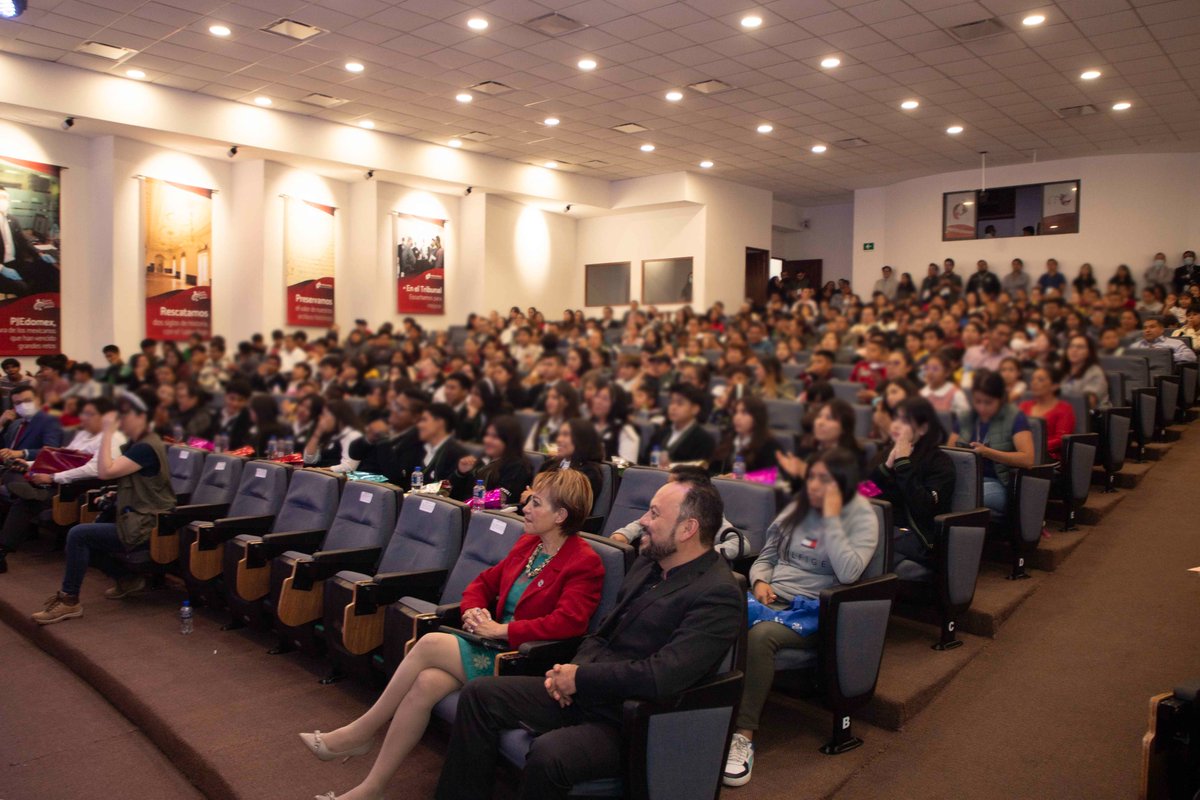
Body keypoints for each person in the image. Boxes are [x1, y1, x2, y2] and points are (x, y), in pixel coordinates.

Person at [432, 475, 742, 799]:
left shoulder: (718, 594)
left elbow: (660, 676)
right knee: (480, 695)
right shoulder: (648, 564)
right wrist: (568, 672)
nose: (643, 522)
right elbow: (602, 633)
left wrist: (581, 678)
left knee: (550, 754)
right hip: (588, 694)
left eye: (653, 514)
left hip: (632, 720)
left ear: (687, 529)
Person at [305, 469, 605, 800]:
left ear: (561, 515)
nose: (526, 508)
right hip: (489, 642)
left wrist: (503, 630)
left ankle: (361, 731)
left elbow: (569, 623)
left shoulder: (584, 562)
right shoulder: (528, 545)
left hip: (521, 660)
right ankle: (371, 789)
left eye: (535, 502)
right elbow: (483, 583)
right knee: (425, 684)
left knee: (431, 642)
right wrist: (473, 611)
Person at [724, 447, 878, 787]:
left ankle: (743, 736)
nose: (815, 486)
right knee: (718, 615)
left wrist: (833, 519)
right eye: (812, 477)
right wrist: (760, 580)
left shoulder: (863, 517)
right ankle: (705, 714)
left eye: (824, 480)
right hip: (771, 598)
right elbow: (766, 556)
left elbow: (850, 573)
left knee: (761, 636)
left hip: (815, 611)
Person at [32, 390, 176, 624]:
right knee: (90, 533)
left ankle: (69, 601)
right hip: (136, 516)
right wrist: (118, 492)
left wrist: (107, 432)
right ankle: (127, 579)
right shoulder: (140, 443)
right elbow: (141, 483)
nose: (120, 420)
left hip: (148, 523)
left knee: (79, 535)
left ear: (141, 416)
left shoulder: (146, 447)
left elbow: (104, 471)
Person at [0, 397, 126, 573]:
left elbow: (94, 470)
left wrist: (53, 477)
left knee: (26, 502)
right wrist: (28, 464)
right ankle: (27, 492)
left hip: (79, 489)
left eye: (89, 414)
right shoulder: (84, 433)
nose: (83, 418)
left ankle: (2, 553)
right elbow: (60, 458)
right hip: (57, 481)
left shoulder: (114, 438)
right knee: (11, 473)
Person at [871, 397, 954, 568]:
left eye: (905, 421)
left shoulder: (939, 461)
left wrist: (902, 463)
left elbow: (924, 507)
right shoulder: (887, 453)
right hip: (881, 526)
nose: (896, 425)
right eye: (895, 419)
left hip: (916, 535)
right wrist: (886, 467)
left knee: (869, 549)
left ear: (922, 428)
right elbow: (863, 493)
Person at [950, 370, 1035, 517]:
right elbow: (949, 451)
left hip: (998, 483)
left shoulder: (1014, 417)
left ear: (1000, 399)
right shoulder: (966, 417)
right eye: (978, 401)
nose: (982, 408)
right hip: (965, 480)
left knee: (968, 497)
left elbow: (1027, 459)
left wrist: (988, 453)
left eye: (988, 403)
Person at [347, 390, 427, 486]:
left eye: (400, 408)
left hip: (381, 492)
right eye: (394, 404)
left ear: (415, 417)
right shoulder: (384, 423)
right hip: (359, 482)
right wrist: (368, 439)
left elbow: (395, 476)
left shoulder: (417, 441)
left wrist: (383, 439)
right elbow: (354, 453)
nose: (393, 410)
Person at [450, 415, 533, 504]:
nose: (487, 440)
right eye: (487, 435)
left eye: (495, 437)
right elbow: (451, 492)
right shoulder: (482, 459)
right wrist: (461, 473)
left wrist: (466, 505)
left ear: (509, 441)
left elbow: (500, 498)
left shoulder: (518, 466)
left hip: (488, 514)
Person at [531, 418, 605, 505]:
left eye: (565, 435)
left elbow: (569, 506)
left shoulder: (590, 473)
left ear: (582, 439)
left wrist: (531, 497)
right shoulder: (548, 465)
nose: (558, 439)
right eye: (559, 434)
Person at [641, 383, 716, 466]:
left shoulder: (704, 440)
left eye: (680, 404)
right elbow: (644, 462)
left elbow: (699, 472)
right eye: (671, 402)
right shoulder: (660, 433)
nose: (673, 407)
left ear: (695, 409)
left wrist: (670, 466)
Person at [710, 396, 781, 475]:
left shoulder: (769, 445)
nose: (737, 417)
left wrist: (742, 478)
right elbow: (713, 470)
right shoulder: (727, 440)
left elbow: (770, 477)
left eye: (744, 413)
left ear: (757, 417)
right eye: (736, 412)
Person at [0, 382, 63, 469]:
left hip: (27, 470)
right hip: (5, 467)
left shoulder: (50, 420)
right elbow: (3, 447)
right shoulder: (15, 423)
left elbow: (51, 450)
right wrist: (1, 425)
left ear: (38, 400)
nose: (23, 405)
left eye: (28, 401)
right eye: (18, 403)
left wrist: (21, 453)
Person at [1020, 366, 1075, 462]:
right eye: (1033, 379)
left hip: (1047, 456)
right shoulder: (1024, 406)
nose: (1034, 383)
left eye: (1040, 380)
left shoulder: (1064, 409)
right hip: (1021, 451)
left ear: (1055, 386)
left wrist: (1035, 446)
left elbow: (1061, 439)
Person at [302, 399, 364, 472]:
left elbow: (349, 467)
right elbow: (309, 460)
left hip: (339, 480)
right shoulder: (330, 434)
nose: (321, 418)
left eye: (325, 415)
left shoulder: (353, 435)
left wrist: (318, 470)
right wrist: (317, 433)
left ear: (337, 417)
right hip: (322, 476)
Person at [416, 403, 470, 484]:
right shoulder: (419, 448)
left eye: (424, 420)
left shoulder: (456, 454)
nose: (419, 425)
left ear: (439, 422)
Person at [588, 381, 639, 463]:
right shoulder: (587, 426)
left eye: (605, 399)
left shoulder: (625, 431)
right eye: (597, 396)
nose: (598, 402)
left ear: (615, 404)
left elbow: (626, 469)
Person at [524, 381, 579, 453]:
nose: (549, 402)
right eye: (548, 397)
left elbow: (568, 451)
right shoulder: (543, 422)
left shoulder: (573, 425)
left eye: (554, 398)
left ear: (567, 401)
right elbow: (528, 448)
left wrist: (543, 449)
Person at [1060, 334, 1110, 409]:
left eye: (1080, 347)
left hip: (1089, 417)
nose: (1074, 350)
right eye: (1071, 346)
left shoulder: (1095, 373)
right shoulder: (1063, 370)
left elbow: (1087, 404)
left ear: (1089, 352)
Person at [1128, 315, 1197, 364]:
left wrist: (1165, 356)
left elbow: (1191, 356)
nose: (1147, 330)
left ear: (1162, 329)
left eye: (1152, 327)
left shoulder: (1175, 343)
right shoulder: (1135, 346)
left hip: (1164, 379)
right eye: (1145, 328)